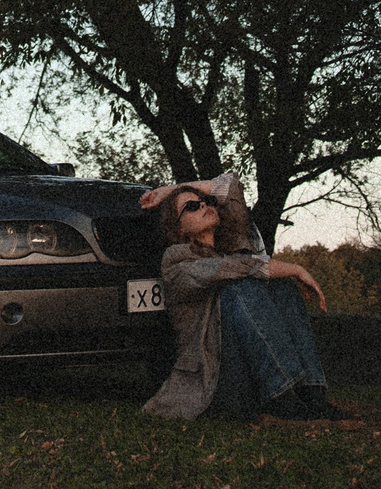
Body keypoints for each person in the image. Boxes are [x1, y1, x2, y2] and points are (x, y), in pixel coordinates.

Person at [139, 172, 351, 421]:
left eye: (205, 201)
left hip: (249, 366)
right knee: (240, 289)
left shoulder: (230, 244)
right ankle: (281, 397)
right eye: (192, 207)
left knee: (283, 287)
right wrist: (297, 268)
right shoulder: (176, 260)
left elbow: (230, 186)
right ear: (180, 228)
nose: (204, 205)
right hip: (217, 377)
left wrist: (172, 189)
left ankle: (312, 395)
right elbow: (234, 268)